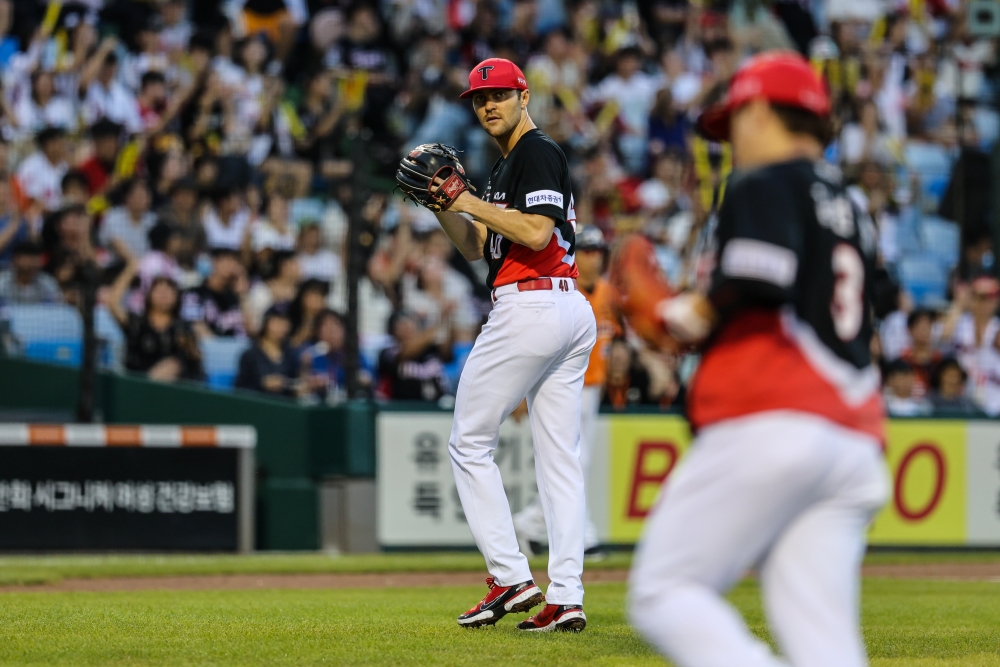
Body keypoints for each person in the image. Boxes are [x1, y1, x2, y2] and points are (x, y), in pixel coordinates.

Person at [626, 52, 888, 667]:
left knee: (664, 592)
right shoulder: (850, 205)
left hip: (776, 417)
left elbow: (758, 276)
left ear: (763, 111)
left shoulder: (765, 182)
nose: (731, 140)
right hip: (854, 438)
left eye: (736, 120)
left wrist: (684, 316)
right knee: (824, 645)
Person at [407, 57, 596, 632]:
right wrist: (447, 207)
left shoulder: (536, 151)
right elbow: (476, 246)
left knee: (468, 442)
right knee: (559, 460)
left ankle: (510, 578)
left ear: (523, 95)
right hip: (566, 308)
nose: (487, 105)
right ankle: (566, 594)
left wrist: (464, 199)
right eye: (478, 98)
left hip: (532, 304)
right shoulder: (506, 165)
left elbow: (535, 232)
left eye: (497, 95)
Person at [513, 225, 618, 558]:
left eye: (599, 251)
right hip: (566, 386)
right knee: (576, 459)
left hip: (594, 387)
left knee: (575, 461)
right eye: (587, 251)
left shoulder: (607, 293)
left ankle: (534, 525)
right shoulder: (567, 291)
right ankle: (579, 536)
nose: (594, 258)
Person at [108, 261, 203, 382]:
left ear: (177, 297)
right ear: (149, 294)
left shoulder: (183, 327)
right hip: (135, 381)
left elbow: (195, 361)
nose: (163, 293)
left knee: (173, 365)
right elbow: (112, 303)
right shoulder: (137, 322)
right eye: (158, 289)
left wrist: (189, 346)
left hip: (173, 389)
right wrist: (131, 268)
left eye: (169, 290)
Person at [376, 310, 451, 401]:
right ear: (392, 329)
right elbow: (407, 351)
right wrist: (439, 323)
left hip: (437, 406)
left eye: (410, 322)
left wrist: (448, 319)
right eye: (402, 324)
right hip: (402, 409)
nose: (408, 327)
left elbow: (447, 350)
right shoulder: (388, 352)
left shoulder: (431, 349)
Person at [234, 304, 302, 396]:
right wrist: (262, 384)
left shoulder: (290, 354)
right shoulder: (250, 355)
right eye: (277, 322)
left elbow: (295, 384)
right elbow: (240, 389)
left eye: (285, 323)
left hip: (284, 405)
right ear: (266, 323)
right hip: (258, 404)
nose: (281, 327)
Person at [181, 248, 248, 338]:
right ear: (214, 262)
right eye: (227, 261)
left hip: (239, 348)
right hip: (208, 348)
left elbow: (250, 331)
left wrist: (242, 294)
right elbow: (196, 327)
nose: (232, 266)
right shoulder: (195, 294)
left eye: (234, 262)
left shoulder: (234, 298)